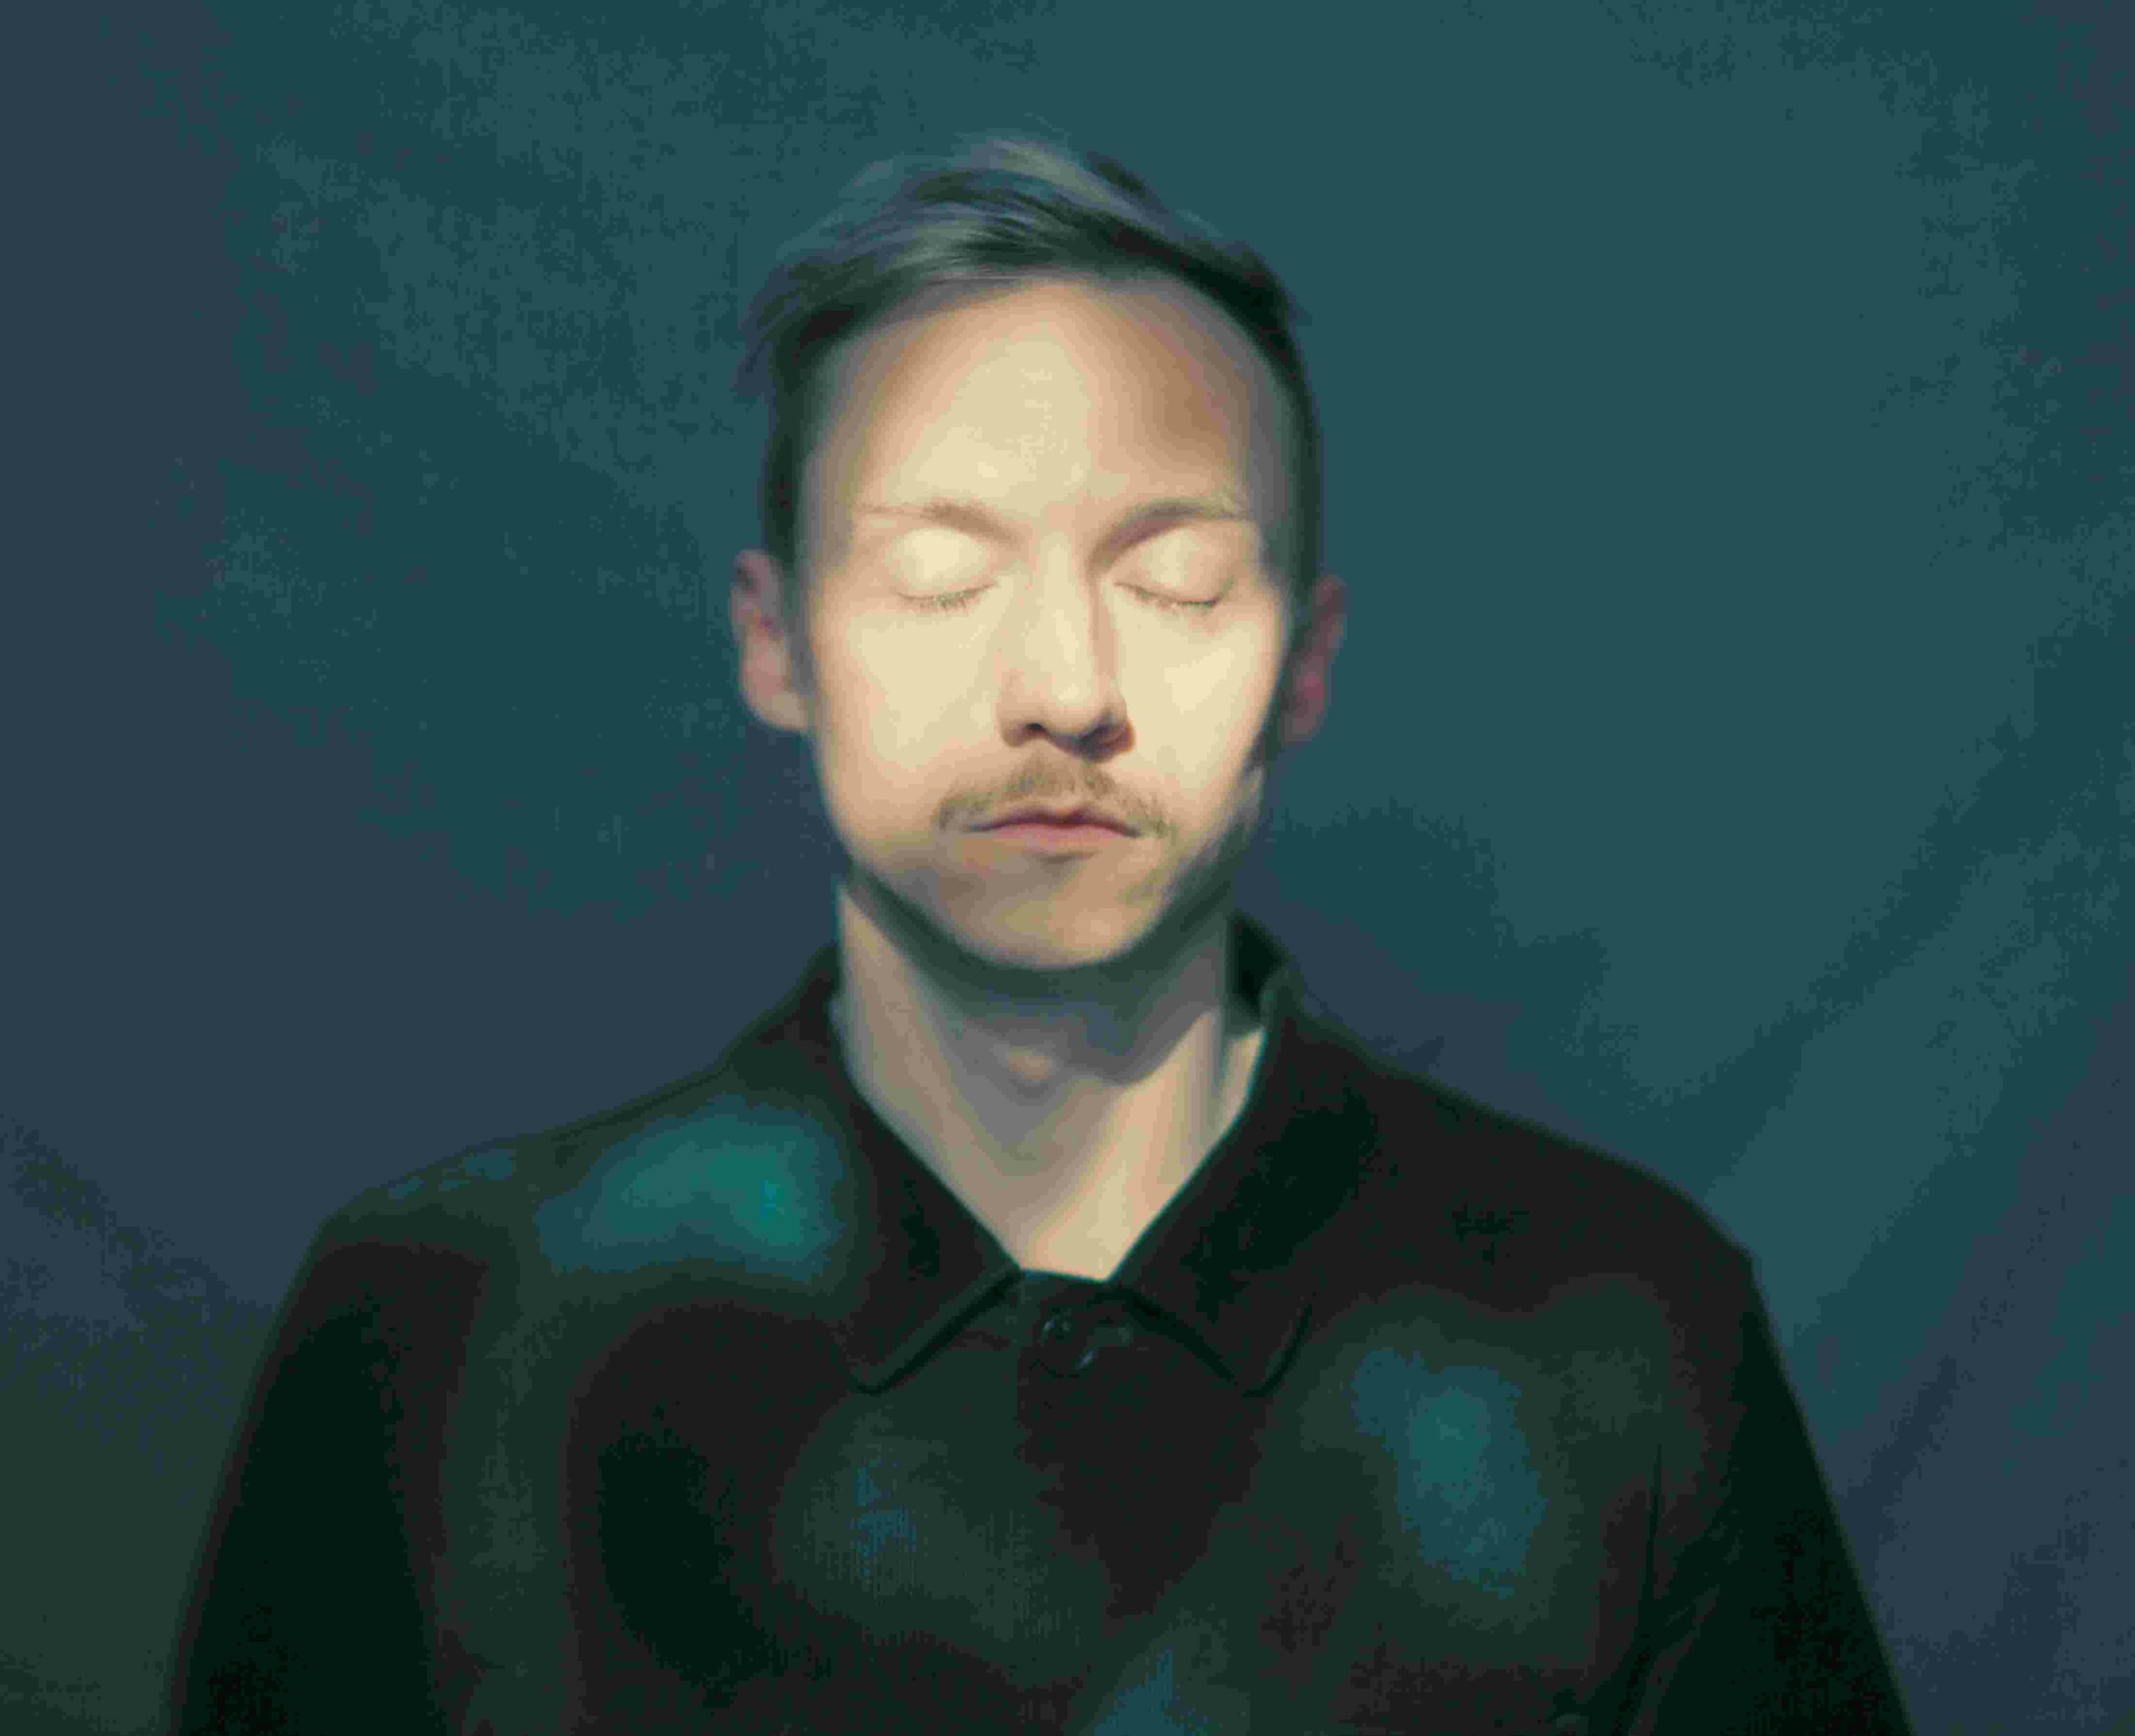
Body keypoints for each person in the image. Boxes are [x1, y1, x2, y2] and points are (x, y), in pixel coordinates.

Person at [164, 129, 1916, 1735]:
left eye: (1174, 579)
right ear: (776, 640)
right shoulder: (439, 1328)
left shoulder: (1619, 1332)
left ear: (1305, 660)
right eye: (941, 572)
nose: (1064, 687)